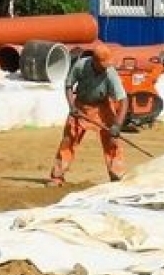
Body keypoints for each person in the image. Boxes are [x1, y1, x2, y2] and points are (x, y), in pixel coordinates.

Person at [48, 43, 127, 186]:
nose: (105, 68)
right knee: (69, 139)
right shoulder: (80, 66)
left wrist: (117, 125)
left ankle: (117, 176)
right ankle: (57, 176)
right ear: (94, 61)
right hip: (81, 106)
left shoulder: (110, 74)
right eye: (102, 65)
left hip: (103, 107)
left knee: (112, 142)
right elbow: (69, 85)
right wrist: (72, 106)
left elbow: (123, 100)